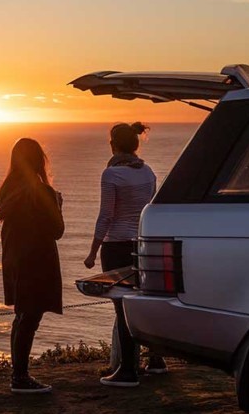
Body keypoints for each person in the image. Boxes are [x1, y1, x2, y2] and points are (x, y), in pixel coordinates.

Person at [83, 122, 167, 387]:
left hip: (116, 245)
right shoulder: (149, 172)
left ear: (113, 145)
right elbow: (150, 210)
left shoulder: (111, 175)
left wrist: (93, 251)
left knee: (122, 308)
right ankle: (156, 360)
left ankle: (128, 370)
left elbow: (106, 215)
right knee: (144, 302)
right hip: (141, 244)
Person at [0, 138, 64, 394]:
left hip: (15, 260)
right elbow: (57, 230)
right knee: (29, 318)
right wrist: (58, 204)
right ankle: (20, 377)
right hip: (37, 261)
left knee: (22, 316)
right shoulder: (41, 191)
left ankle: (18, 373)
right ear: (38, 161)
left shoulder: (8, 190)